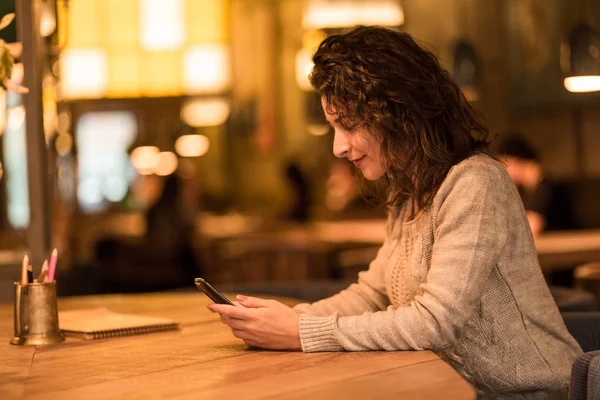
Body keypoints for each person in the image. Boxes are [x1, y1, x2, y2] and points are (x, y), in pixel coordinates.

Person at [207, 26, 581, 398]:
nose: (338, 146)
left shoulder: (475, 182)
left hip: (534, 392)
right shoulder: (409, 192)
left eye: (348, 125)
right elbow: (372, 294)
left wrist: (300, 332)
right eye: (333, 127)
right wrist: (290, 320)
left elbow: (435, 323)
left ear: (399, 113)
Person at [495, 133, 576, 236]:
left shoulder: (545, 187)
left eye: (503, 164)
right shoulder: (527, 189)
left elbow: (531, 229)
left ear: (515, 161)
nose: (502, 170)